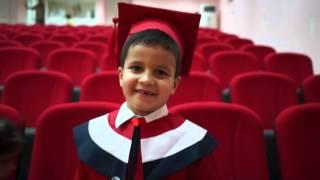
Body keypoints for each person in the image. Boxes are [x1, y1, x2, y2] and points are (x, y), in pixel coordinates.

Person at [73, 3, 218, 180]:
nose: (147, 79)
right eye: (136, 68)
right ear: (120, 75)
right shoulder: (93, 136)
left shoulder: (194, 145)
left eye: (161, 72)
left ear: (175, 84)